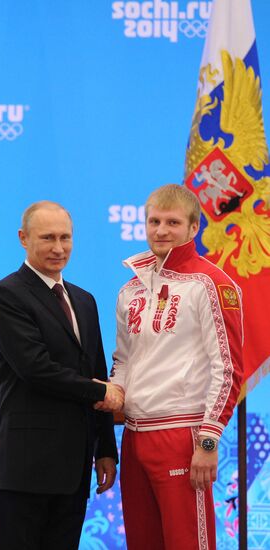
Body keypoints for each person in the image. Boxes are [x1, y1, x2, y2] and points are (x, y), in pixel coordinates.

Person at [109, 184, 243, 550]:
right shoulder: (129, 290)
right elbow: (122, 359)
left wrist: (208, 439)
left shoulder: (211, 284)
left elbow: (228, 369)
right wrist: (112, 396)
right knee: (143, 541)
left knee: (187, 543)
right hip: (134, 436)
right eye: (154, 221)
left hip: (181, 435)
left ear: (193, 227)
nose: (161, 230)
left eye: (172, 222)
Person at [0, 200, 123, 550]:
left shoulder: (84, 300)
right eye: (47, 238)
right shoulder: (7, 295)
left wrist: (106, 448)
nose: (58, 248)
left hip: (73, 470)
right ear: (23, 238)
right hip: (23, 467)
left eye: (65, 237)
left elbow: (96, 372)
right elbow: (35, 368)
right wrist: (100, 392)